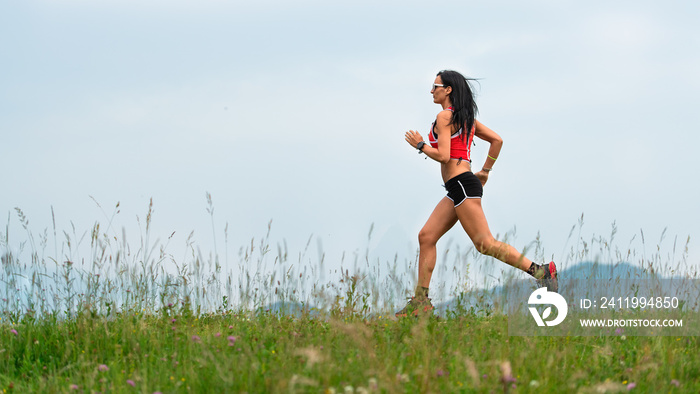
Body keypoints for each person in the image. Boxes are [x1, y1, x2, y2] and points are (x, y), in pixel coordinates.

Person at [396, 70, 558, 318]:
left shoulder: (444, 116)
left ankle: (541, 272)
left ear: (448, 89)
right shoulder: (465, 117)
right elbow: (497, 140)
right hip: (459, 186)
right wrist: (485, 171)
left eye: (435, 86)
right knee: (426, 236)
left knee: (484, 243)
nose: (432, 90)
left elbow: (444, 156)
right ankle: (421, 302)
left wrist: (420, 145)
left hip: (461, 184)